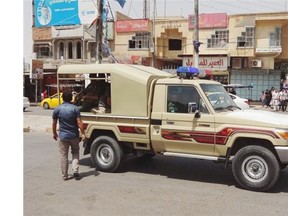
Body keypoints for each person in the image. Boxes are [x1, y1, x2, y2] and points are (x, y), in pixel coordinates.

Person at [52, 91, 86, 181]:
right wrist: (83, 133)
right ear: (71, 98)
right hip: (74, 135)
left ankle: (65, 175)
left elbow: (54, 123)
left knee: (63, 155)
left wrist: (54, 133)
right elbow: (79, 123)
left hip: (63, 136)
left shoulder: (57, 109)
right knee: (75, 152)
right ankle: (75, 170)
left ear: (62, 98)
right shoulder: (75, 109)